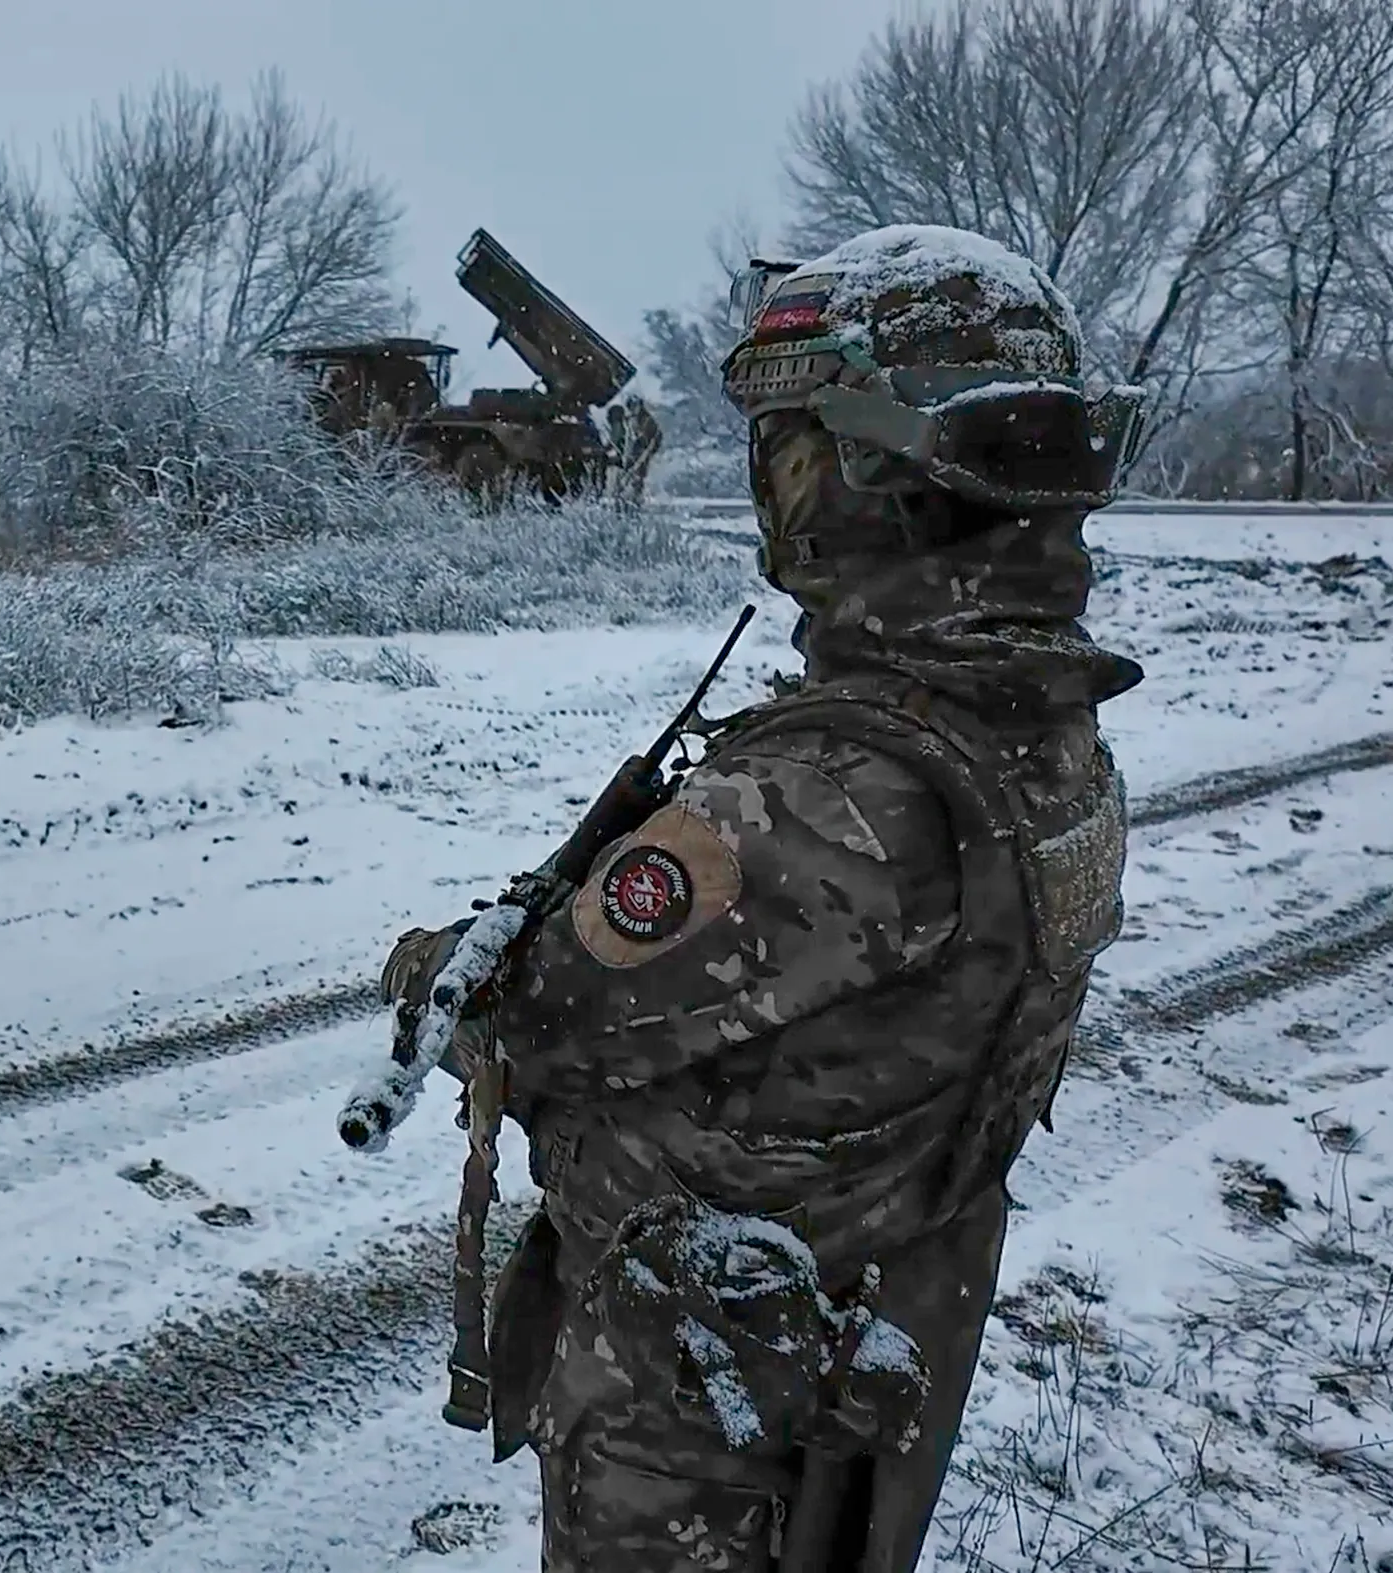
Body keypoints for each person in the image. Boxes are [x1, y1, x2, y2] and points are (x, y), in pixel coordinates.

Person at [381, 223, 1145, 1571]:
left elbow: (537, 1016)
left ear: (862, 469)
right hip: (859, 1334)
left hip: (700, 1423)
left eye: (784, 447)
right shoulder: (1040, 725)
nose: (767, 486)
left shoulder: (832, 794)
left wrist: (439, 965)